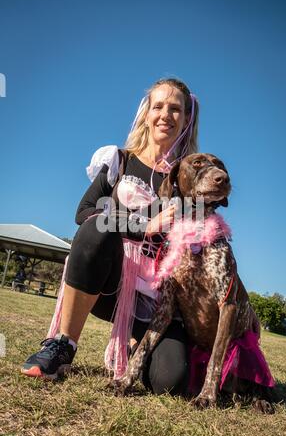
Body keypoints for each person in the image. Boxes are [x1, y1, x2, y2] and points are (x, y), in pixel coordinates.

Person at [21, 78, 199, 394]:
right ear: (147, 113)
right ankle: (63, 345)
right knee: (95, 229)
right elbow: (84, 212)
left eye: (175, 109)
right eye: (158, 106)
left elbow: (198, 245)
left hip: (154, 296)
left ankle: (134, 344)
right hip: (109, 282)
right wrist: (145, 225)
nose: (165, 115)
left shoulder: (188, 181)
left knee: (170, 381)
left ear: (187, 119)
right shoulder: (120, 160)